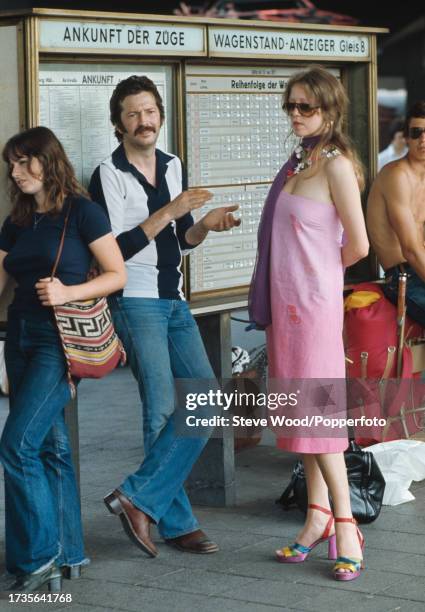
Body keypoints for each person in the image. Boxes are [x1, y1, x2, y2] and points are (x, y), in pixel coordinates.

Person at [89, 75, 240, 556]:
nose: (143, 120)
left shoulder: (171, 164)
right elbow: (115, 248)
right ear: (118, 124)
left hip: (174, 299)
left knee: (206, 400)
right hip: (135, 300)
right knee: (159, 412)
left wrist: (206, 226)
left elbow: (184, 238)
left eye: (149, 111)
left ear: (160, 115)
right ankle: (175, 522)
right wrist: (171, 210)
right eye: (132, 113)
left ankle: (137, 498)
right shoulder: (108, 173)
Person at [249, 66, 369, 581]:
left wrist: (317, 277)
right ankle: (316, 516)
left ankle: (346, 526)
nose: (296, 115)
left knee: (321, 422)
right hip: (286, 312)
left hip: (314, 311)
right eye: (291, 106)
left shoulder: (337, 166)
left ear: (330, 110)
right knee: (301, 418)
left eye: (307, 107)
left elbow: (359, 245)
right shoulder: (297, 162)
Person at [0, 126, 127, 592]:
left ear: (47, 160)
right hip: (20, 338)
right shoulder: (17, 221)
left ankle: (35, 559)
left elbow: (117, 274)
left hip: (61, 341)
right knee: (48, 446)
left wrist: (68, 291)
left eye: (23, 162)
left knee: (16, 444)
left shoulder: (83, 213)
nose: (16, 173)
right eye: (11, 165)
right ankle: (68, 551)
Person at [367, 101, 425, 326]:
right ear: (406, 138)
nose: (422, 139)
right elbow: (410, 249)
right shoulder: (397, 175)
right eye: (416, 132)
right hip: (404, 278)